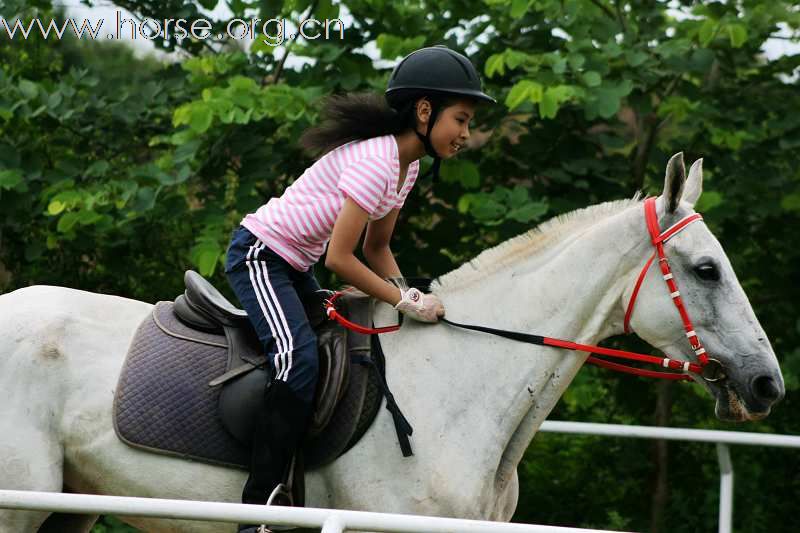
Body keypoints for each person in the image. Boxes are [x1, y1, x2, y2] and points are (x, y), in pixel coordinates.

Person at [224, 45, 495, 532]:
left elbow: (378, 248)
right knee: (296, 360)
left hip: (294, 265)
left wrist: (405, 298)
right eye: (461, 119)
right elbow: (340, 258)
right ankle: (256, 513)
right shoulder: (375, 163)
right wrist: (404, 299)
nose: (466, 135)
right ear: (425, 111)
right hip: (260, 257)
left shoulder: (405, 166)